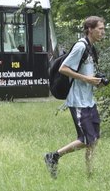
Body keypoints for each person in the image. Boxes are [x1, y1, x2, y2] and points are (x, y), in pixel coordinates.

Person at [44, 16, 106, 178]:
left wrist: (96, 81)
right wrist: (86, 79)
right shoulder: (80, 46)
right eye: (100, 29)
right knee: (86, 139)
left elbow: (87, 72)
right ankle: (53, 156)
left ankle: (90, 174)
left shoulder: (92, 48)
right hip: (77, 100)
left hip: (89, 100)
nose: (102, 32)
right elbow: (63, 69)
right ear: (90, 29)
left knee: (94, 138)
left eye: (103, 29)